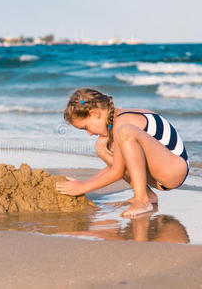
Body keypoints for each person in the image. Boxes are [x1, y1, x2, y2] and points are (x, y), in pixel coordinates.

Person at [56, 88, 189, 217]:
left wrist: (82, 188)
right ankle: (147, 195)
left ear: (94, 114)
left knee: (125, 132)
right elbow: (116, 167)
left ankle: (142, 200)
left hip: (174, 169)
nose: (89, 133)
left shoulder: (122, 122)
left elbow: (117, 171)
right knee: (101, 146)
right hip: (160, 171)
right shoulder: (116, 122)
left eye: (85, 127)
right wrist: (82, 184)